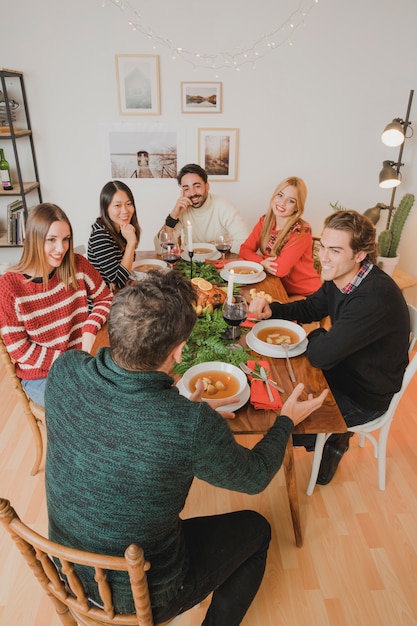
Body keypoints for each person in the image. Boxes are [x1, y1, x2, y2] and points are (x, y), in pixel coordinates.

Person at [45, 269, 327, 626]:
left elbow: (119, 422)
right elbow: (254, 477)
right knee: (258, 529)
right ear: (179, 351)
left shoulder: (65, 370)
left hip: (67, 571)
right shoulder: (188, 423)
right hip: (143, 592)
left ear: (114, 329)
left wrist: (177, 406)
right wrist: (286, 420)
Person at [249, 209, 410, 484]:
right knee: (273, 389)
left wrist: (319, 336)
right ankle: (333, 436)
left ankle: (338, 438)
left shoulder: (372, 298)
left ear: (359, 255)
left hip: (364, 394)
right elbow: (313, 306)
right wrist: (272, 311)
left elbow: (320, 354)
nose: (323, 257)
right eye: (323, 247)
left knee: (282, 425)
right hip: (344, 366)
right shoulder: (341, 276)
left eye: (334, 251)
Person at [0, 203, 113, 407]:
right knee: (90, 406)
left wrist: (90, 326)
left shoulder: (77, 265)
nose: (61, 248)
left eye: (66, 239)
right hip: (41, 376)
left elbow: (105, 298)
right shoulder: (9, 286)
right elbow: (20, 350)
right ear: (34, 239)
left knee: (118, 392)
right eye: (51, 239)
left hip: (83, 361)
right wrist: (70, 361)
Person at [240, 176, 321, 297]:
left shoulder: (302, 231)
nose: (282, 203)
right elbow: (244, 250)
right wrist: (262, 262)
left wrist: (260, 261)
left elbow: (280, 270)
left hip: (306, 294)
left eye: (291, 201)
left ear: (297, 207)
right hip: (277, 286)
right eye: (280, 195)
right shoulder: (265, 221)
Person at [154, 163, 250, 254]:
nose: (192, 193)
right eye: (186, 188)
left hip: (218, 261)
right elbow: (162, 249)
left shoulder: (224, 207)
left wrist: (212, 247)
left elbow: (245, 244)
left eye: (197, 186)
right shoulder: (182, 209)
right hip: (189, 261)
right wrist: (173, 215)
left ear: (207, 186)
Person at [88, 180, 141, 289]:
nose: (125, 210)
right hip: (104, 301)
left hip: (119, 294)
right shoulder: (99, 236)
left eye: (129, 204)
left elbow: (126, 271)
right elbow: (119, 282)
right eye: (117, 205)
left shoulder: (122, 229)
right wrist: (131, 243)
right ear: (106, 208)